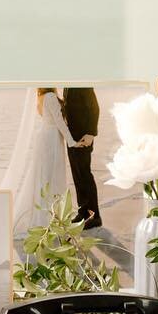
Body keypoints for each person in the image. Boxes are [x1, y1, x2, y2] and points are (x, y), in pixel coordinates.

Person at [4, 87, 70, 237]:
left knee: (42, 177)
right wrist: (72, 142)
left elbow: (47, 117)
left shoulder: (40, 96)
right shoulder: (51, 97)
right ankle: (49, 218)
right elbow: (59, 122)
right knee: (52, 177)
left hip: (44, 136)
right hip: (52, 138)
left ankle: (47, 215)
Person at [58, 87, 103, 230]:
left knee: (84, 174)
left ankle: (94, 217)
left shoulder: (83, 82)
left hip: (84, 137)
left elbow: (95, 107)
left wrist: (91, 133)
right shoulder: (67, 85)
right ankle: (83, 212)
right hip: (72, 137)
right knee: (77, 175)